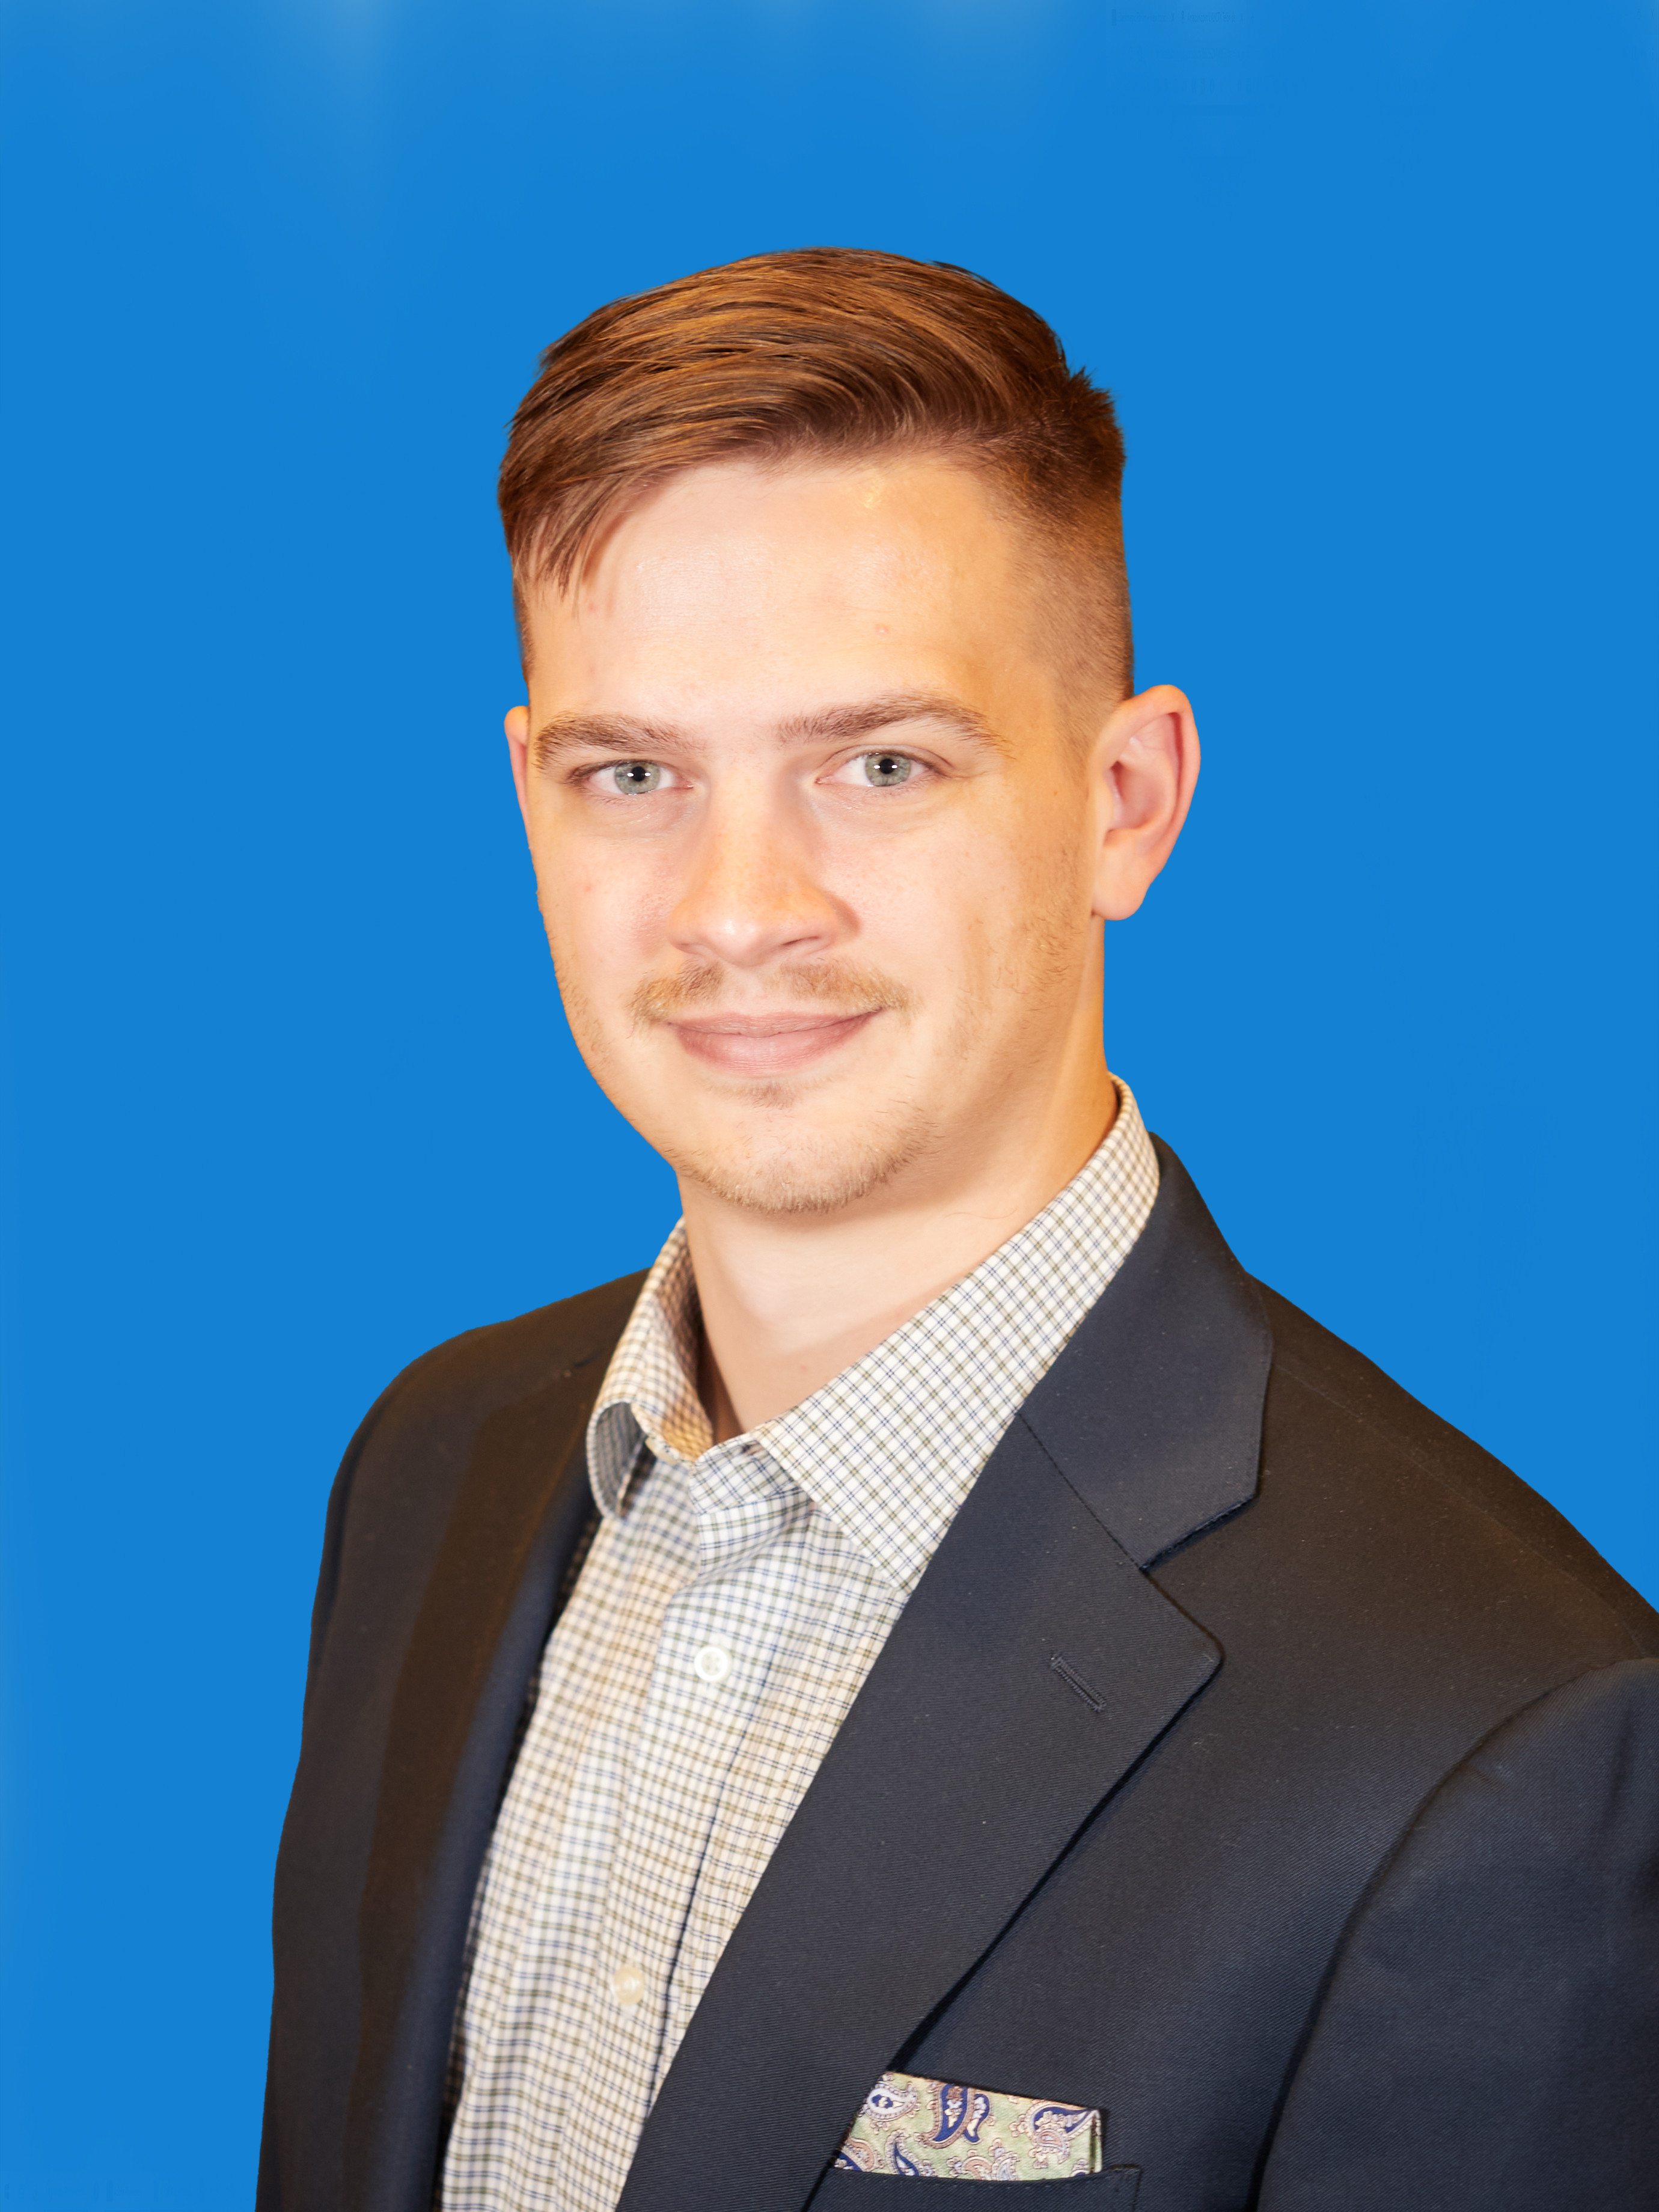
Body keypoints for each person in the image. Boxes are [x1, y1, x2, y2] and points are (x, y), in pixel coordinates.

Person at [258, 249, 1658, 2212]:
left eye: (881, 765)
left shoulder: (1501, 1744)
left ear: (1127, 800)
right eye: (635, 773)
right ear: (530, 797)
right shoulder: (433, 1467)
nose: (738, 909)